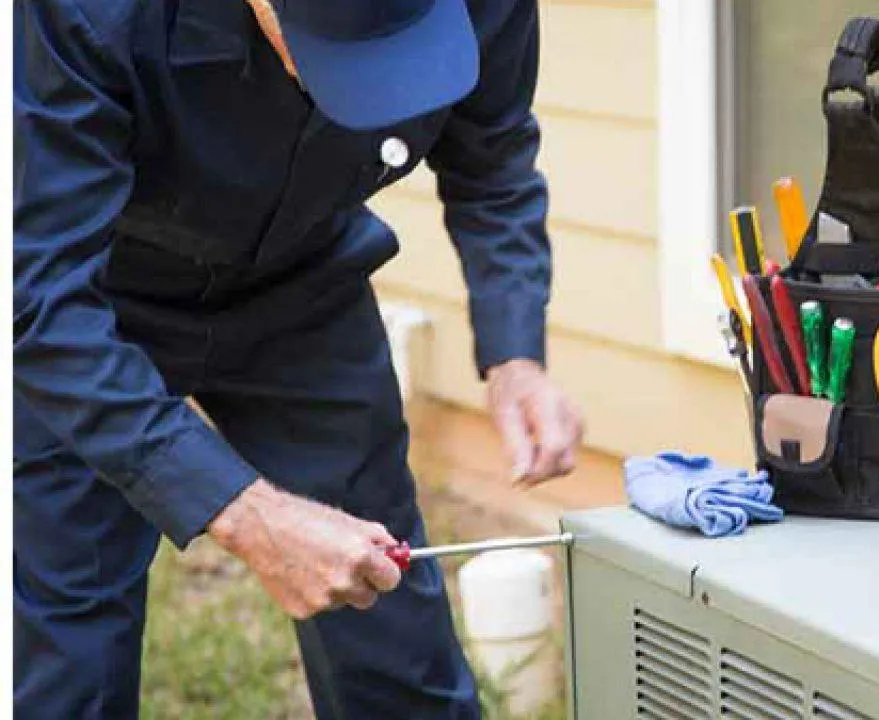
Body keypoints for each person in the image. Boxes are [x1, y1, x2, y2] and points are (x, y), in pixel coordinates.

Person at [13, 0, 582, 716]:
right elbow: (42, 302)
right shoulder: (89, 15)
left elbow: (492, 155)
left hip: (304, 282)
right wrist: (248, 516)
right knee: (75, 641)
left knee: (386, 614)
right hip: (100, 302)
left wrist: (515, 352)